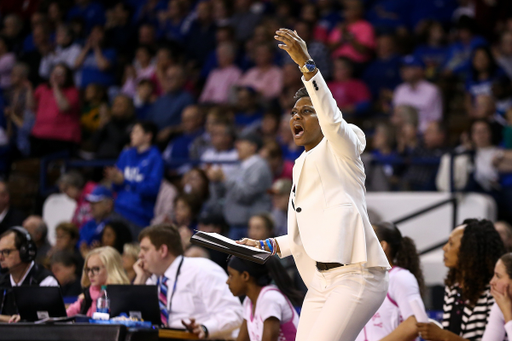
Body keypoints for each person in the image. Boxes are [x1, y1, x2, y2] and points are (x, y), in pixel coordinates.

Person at [239, 29, 390, 341]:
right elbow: (305, 234)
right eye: (294, 113)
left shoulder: (342, 147)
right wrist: (267, 245)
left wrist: (306, 64)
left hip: (355, 275)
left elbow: (334, 121)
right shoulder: (301, 164)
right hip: (320, 281)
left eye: (307, 111)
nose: (297, 117)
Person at [133, 224, 243, 339]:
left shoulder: (202, 270)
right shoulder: (151, 278)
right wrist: (140, 279)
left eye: (145, 249)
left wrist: (205, 328)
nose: (140, 255)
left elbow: (234, 313)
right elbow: (131, 319)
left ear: (162, 250)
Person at [417, 218, 505, 340]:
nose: (444, 248)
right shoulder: (453, 286)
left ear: (470, 251)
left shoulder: (495, 292)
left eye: (451, 243)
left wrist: (443, 336)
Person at [356, 222, 426, 341]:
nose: (358, 244)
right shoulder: (362, 278)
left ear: (382, 246)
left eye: (364, 238)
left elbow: (415, 323)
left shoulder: (400, 277)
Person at [208, 131, 273, 240]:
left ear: (252, 147)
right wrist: (216, 181)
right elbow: (222, 194)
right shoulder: (240, 166)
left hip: (251, 228)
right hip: (236, 225)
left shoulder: (259, 166)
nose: (237, 145)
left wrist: (224, 178)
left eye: (242, 142)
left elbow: (246, 195)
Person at [226, 256, 304, 341]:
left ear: (245, 276)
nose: (227, 281)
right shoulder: (248, 302)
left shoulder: (269, 299)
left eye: (231, 275)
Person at [106, 121, 164, 229]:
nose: (132, 134)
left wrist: (125, 181)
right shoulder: (126, 154)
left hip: (138, 217)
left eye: (136, 132)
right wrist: (114, 178)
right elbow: (115, 186)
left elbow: (153, 189)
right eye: (132, 132)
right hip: (118, 209)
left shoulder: (155, 158)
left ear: (148, 136)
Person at [0, 227, 59, 321]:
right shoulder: (2, 282)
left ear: (25, 252)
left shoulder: (45, 281)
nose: (0, 257)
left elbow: (47, 324)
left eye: (6, 252)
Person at [29, 63, 81, 157]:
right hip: (39, 135)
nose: (56, 76)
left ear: (67, 77)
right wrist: (29, 89)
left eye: (60, 74)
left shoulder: (72, 91)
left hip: (63, 137)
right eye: (54, 73)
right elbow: (31, 106)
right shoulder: (42, 88)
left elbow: (64, 107)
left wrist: (56, 87)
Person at [66, 246, 129, 317]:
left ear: (111, 268)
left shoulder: (123, 297)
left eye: (96, 269)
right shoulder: (87, 296)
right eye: (88, 269)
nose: (90, 274)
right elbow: (65, 315)